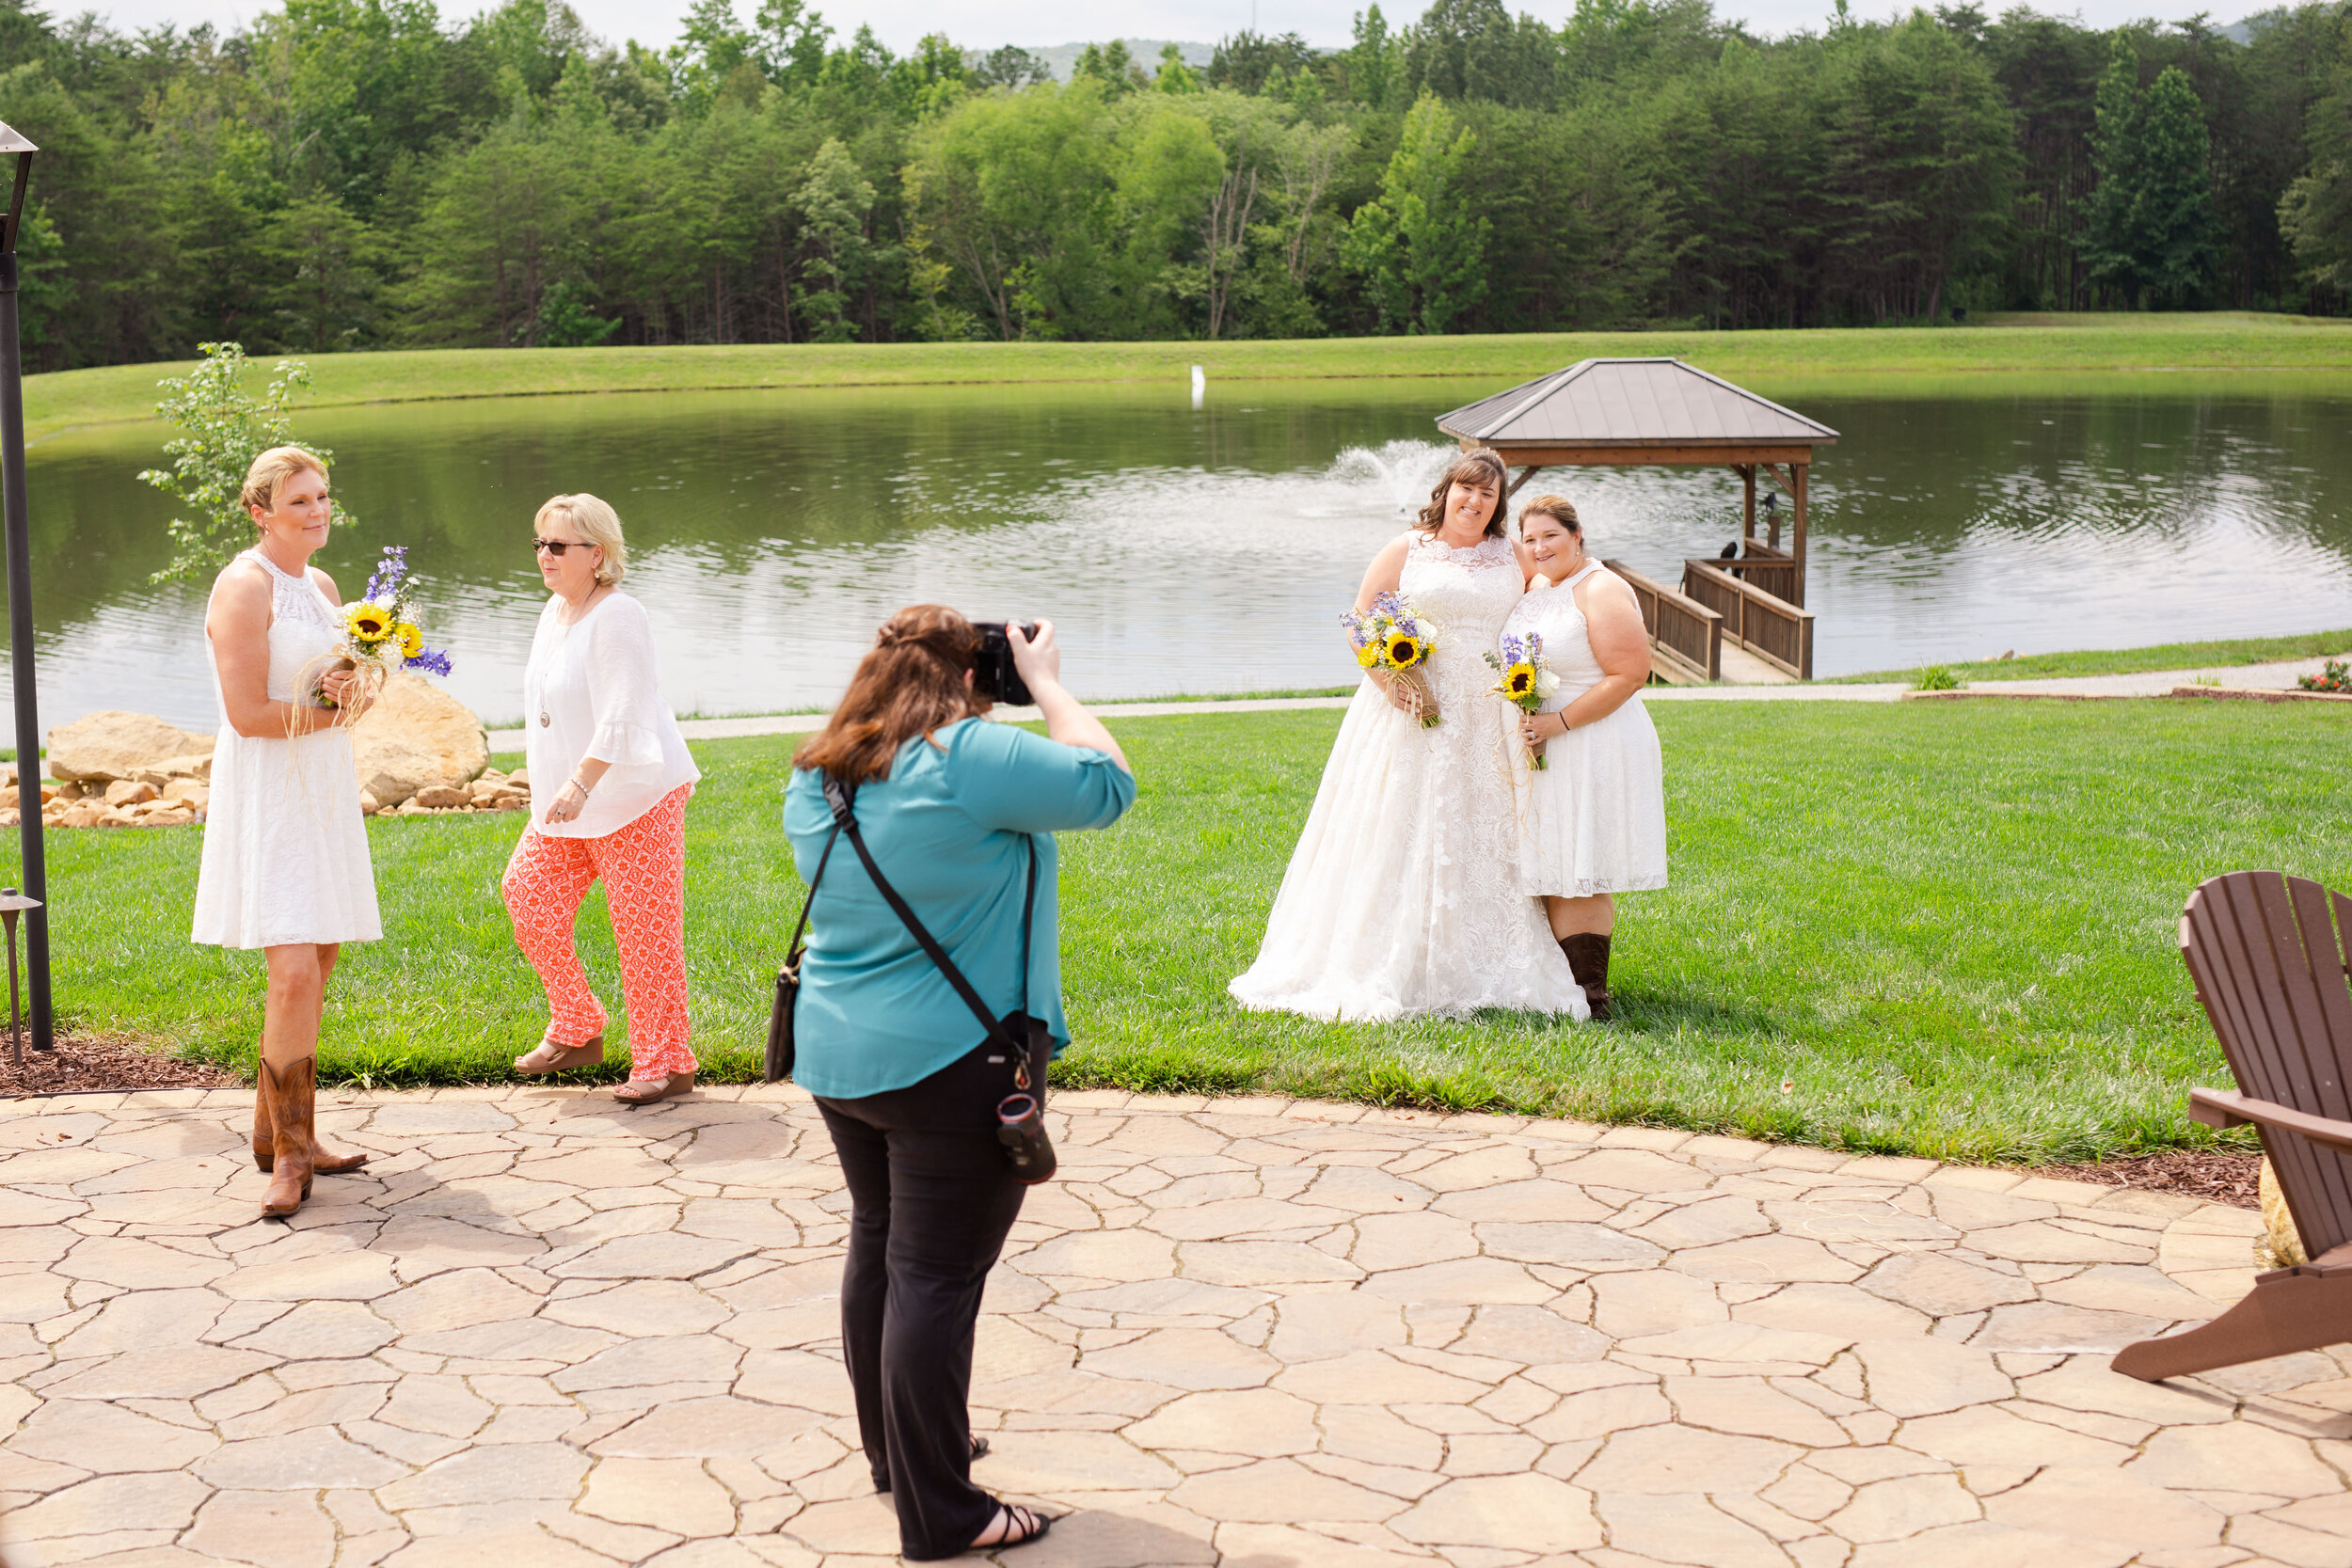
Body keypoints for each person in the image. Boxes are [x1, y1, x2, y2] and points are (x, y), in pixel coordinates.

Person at [784, 606, 1135, 1561]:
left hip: (840, 1055)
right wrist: (1050, 680)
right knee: (935, 1275)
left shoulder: (820, 770)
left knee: (883, 1247)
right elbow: (1107, 784)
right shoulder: (971, 756)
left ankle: (900, 1453)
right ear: (975, 676)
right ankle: (944, 1513)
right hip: (954, 1059)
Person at [1230, 450, 1587, 1022]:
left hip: (1487, 714)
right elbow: (1360, 619)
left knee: (1482, 826)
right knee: (1400, 822)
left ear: (1499, 505)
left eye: (1488, 494)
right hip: (1412, 705)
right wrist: (1391, 681)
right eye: (1466, 489)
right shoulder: (1407, 548)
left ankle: (1482, 955)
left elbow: (1558, 595)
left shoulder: (1512, 554)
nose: (1474, 501)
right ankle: (1390, 956)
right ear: (1445, 491)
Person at [192, 445, 382, 1219]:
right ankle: (291, 1158)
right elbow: (246, 713)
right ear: (259, 510)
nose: (318, 510)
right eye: (299, 500)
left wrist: (355, 687)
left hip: (322, 784)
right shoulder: (245, 586)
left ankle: (278, 1130)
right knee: (293, 967)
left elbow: (328, 687)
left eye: (324, 496)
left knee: (323, 953)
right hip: (269, 786)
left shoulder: (325, 586)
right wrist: (330, 711)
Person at [502, 494, 703, 1104]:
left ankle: (666, 1063)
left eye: (559, 545)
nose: (545, 555)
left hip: (634, 796)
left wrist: (580, 780)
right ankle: (577, 1024)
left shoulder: (619, 615)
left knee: (644, 933)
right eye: (540, 543)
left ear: (600, 554)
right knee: (527, 893)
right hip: (571, 803)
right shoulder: (555, 610)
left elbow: (625, 711)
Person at [1502, 495, 1668, 1020]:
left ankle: (1590, 995)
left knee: (1581, 863)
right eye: (1529, 539)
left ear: (1578, 535)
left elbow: (1630, 673)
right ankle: (1560, 985)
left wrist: (1558, 721)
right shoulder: (1538, 586)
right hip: (1545, 743)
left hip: (1592, 740)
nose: (1538, 547)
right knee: (1551, 859)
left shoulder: (1602, 588)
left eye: (1550, 535)